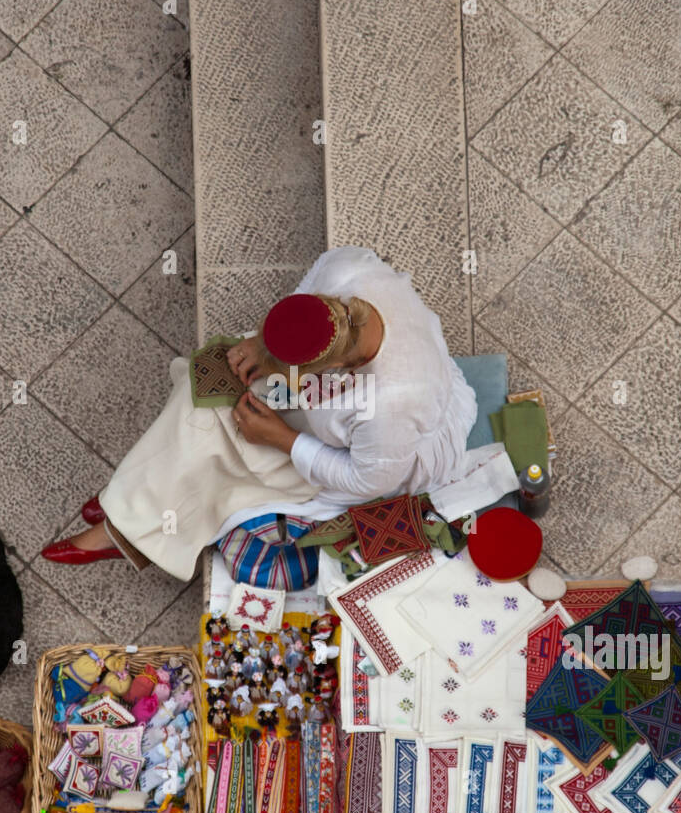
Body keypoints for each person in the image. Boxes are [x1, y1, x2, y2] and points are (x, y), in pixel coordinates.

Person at [40, 246, 477, 578]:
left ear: (348, 369)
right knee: (199, 400)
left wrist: (282, 440)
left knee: (225, 453)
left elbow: (368, 479)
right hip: (322, 402)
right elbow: (300, 305)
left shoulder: (394, 402)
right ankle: (128, 506)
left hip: (366, 457)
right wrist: (261, 348)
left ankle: (125, 525)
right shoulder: (346, 273)